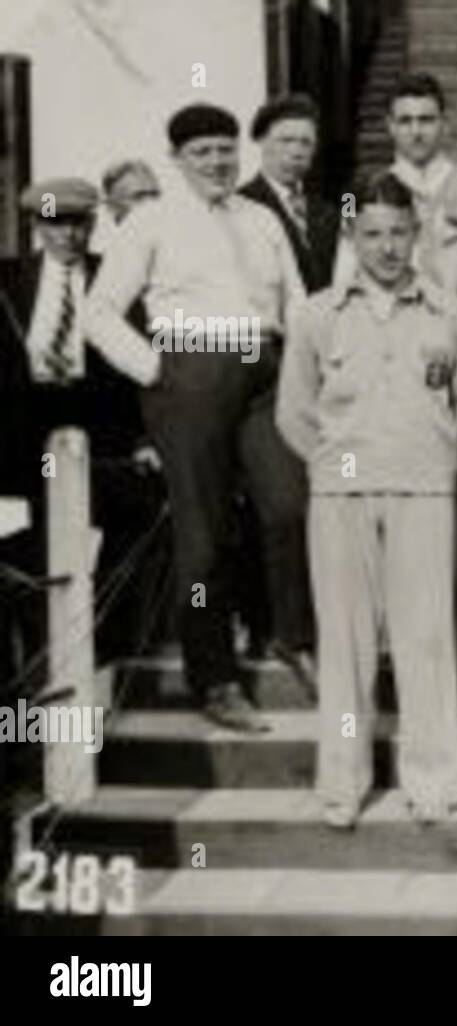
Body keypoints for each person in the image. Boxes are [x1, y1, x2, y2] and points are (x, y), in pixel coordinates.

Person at [86, 102, 312, 731]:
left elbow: (295, 302)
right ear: (177, 159)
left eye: (224, 149)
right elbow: (99, 311)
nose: (216, 161)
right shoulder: (151, 221)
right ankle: (214, 678)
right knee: (203, 534)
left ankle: (290, 637)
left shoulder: (262, 217)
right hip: (191, 374)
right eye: (201, 152)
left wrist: (300, 369)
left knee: (289, 504)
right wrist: (156, 371)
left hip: (265, 371)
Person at [277, 172, 457, 829]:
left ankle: (433, 780)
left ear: (416, 235)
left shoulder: (450, 312)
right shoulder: (316, 313)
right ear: (352, 238)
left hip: (423, 487)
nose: (387, 247)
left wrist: (438, 457)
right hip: (340, 492)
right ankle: (343, 781)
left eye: (398, 233)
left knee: (426, 635)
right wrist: (338, 463)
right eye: (373, 235)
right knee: (346, 638)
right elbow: (293, 412)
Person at [0, 178, 159, 669]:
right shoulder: (8, 282)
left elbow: (145, 365)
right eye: (55, 224)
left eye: (78, 223)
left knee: (106, 540)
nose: (68, 236)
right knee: (25, 549)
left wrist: (147, 438)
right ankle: (37, 660)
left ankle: (102, 652)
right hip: (22, 436)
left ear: (92, 223)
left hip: (101, 434)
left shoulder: (119, 280)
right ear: (36, 225)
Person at [335, 73, 457, 291]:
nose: (416, 132)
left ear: (444, 123)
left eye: (426, 120)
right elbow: (343, 275)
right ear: (390, 125)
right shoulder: (352, 196)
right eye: (405, 121)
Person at [240, 93, 341, 294]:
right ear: (262, 142)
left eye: (306, 142)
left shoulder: (328, 207)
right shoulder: (242, 203)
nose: (296, 152)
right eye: (286, 141)